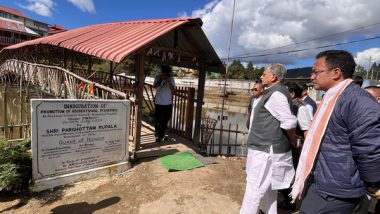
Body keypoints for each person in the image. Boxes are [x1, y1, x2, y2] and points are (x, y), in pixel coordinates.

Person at [290, 50, 380, 214]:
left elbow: (369, 147)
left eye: (316, 72)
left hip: (336, 190)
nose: (311, 77)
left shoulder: (357, 101)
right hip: (323, 180)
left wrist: (374, 184)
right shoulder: (332, 97)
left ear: (336, 73)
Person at [240, 64, 297, 214]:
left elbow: (289, 122)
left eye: (264, 74)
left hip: (266, 150)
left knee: (254, 187)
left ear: (273, 77)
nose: (261, 76)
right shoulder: (271, 92)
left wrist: (292, 141)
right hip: (262, 148)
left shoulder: (276, 94)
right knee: (268, 190)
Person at [278, 82, 313, 211]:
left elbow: (306, 131)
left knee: (290, 174)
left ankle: (290, 202)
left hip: (296, 146)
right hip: (286, 145)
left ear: (292, 94)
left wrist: (302, 148)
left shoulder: (301, 108)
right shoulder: (288, 105)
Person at [153, 65, 176, 143]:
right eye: (164, 72)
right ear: (162, 72)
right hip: (159, 102)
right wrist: (161, 79)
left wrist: (169, 80)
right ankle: (157, 134)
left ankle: (161, 134)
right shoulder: (158, 77)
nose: (165, 74)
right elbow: (155, 86)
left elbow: (173, 90)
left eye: (167, 73)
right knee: (158, 119)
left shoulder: (171, 79)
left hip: (167, 102)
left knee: (166, 119)